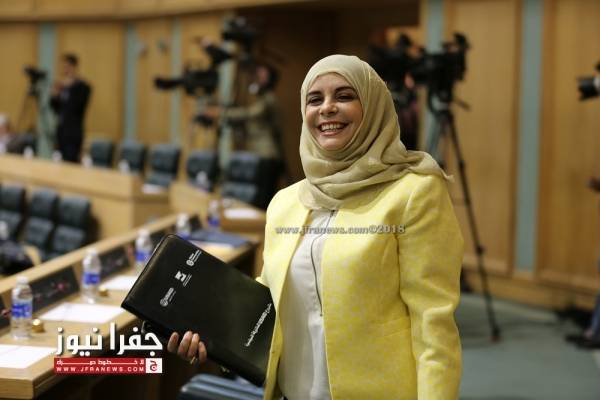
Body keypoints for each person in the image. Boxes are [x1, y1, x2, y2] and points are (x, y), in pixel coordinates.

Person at [168, 54, 464, 399]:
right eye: (314, 99)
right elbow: (271, 298)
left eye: (344, 96)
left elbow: (433, 325)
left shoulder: (414, 192)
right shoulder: (285, 202)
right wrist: (211, 333)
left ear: (373, 106)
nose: (327, 108)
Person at [50, 53, 91, 162]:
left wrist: (70, 87)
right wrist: (55, 96)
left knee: (71, 161)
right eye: (63, 67)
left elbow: (77, 107)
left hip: (73, 133)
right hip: (61, 131)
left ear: (74, 67)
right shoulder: (62, 87)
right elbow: (56, 109)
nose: (65, 70)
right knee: (59, 161)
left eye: (67, 67)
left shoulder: (82, 87)